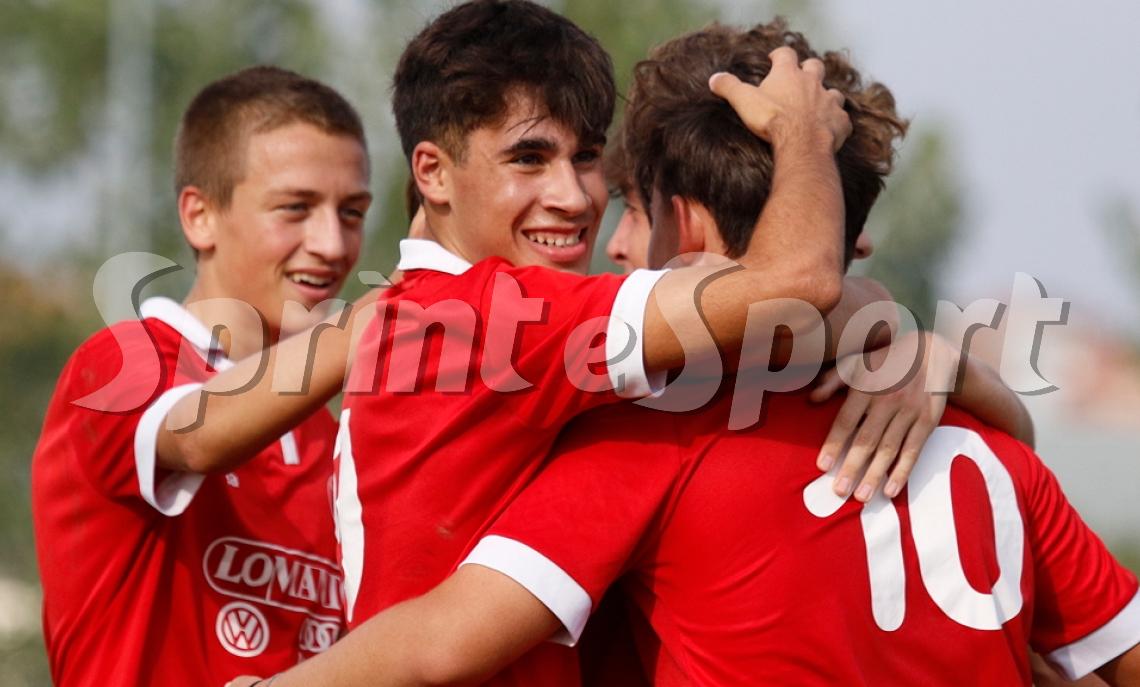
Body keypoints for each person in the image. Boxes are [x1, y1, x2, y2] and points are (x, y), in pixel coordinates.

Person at [228, 19, 1139, 687]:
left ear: (687, 223)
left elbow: (442, 641)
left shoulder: (655, 432)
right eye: (533, 159)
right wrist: (931, 350)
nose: (602, 227)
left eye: (623, 194)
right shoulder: (991, 456)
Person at [31, 66, 373, 686]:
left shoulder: (332, 436)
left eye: (351, 212)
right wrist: (374, 321)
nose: (332, 243)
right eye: (295, 208)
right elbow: (198, 437)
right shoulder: (121, 365)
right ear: (200, 216)